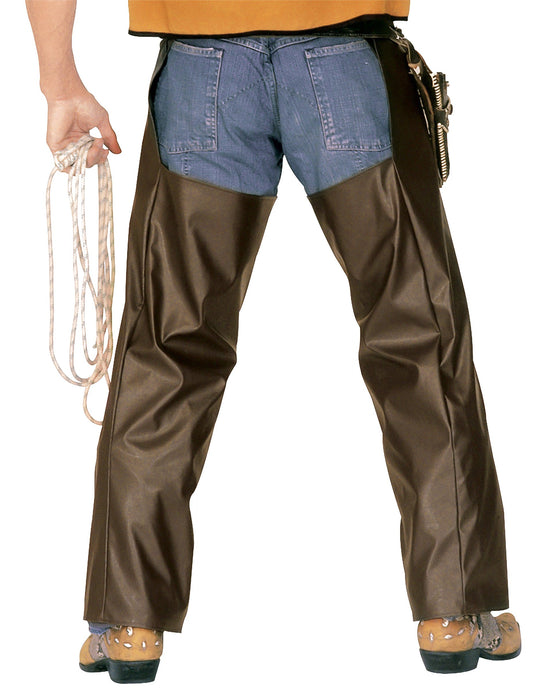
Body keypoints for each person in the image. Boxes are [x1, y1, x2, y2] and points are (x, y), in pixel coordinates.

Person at [26, 0, 522, 682]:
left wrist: (59, 80)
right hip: (345, 52)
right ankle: (453, 609)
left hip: (201, 62)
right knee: (416, 335)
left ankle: (130, 621)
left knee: (167, 350)